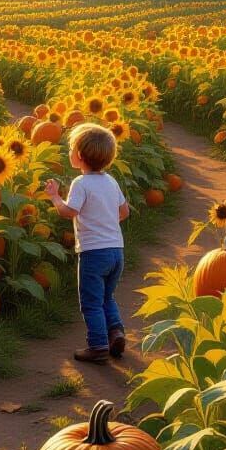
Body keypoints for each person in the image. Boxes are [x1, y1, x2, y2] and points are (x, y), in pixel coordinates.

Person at [44, 123, 129, 364]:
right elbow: (124, 212)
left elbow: (69, 212)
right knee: (107, 296)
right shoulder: (110, 181)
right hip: (116, 250)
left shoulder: (81, 184)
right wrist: (106, 220)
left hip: (93, 253)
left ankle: (98, 345)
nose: (69, 152)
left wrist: (54, 196)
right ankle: (116, 333)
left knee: (90, 301)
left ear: (79, 156)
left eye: (71, 148)